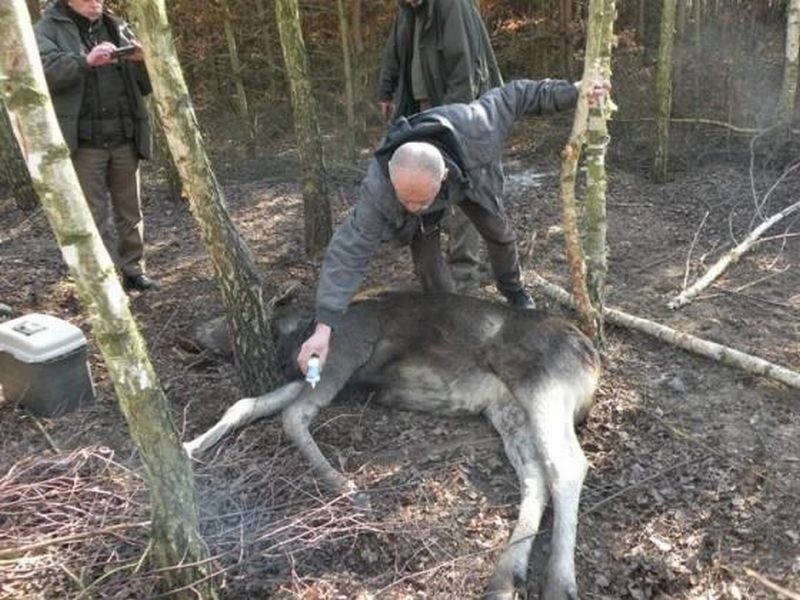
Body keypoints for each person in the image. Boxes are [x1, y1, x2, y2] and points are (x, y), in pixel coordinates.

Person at [297, 78, 608, 373]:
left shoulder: (478, 126)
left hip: (470, 176)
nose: (413, 208)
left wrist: (574, 91)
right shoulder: (380, 188)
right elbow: (349, 250)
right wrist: (324, 326)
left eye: (419, 201)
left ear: (442, 176)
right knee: (427, 259)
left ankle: (515, 293)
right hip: (429, 192)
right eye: (406, 200)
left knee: (499, 234)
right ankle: (447, 323)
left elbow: (518, 94)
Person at [378, 0, 504, 294]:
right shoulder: (408, 10)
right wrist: (386, 90)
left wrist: (449, 128)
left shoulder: (453, 6)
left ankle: (463, 279)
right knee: (423, 189)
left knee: (464, 192)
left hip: (462, 111)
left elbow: (465, 73)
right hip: (424, 110)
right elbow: (394, 52)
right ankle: (433, 281)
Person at [35, 0, 159, 291]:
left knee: (131, 211)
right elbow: (42, 71)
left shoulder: (118, 26)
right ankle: (106, 279)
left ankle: (133, 271)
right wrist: (85, 61)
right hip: (84, 142)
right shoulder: (47, 28)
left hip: (124, 136)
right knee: (94, 214)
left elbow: (146, 86)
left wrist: (143, 60)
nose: (96, 2)